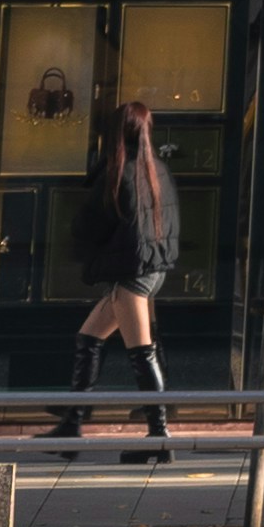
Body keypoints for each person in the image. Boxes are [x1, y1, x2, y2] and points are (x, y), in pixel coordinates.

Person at [62, 96, 178, 451]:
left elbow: (92, 223)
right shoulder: (156, 169)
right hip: (149, 269)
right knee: (88, 338)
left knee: (141, 352)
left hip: (132, 275)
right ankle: (72, 424)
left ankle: (160, 437)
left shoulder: (120, 172)